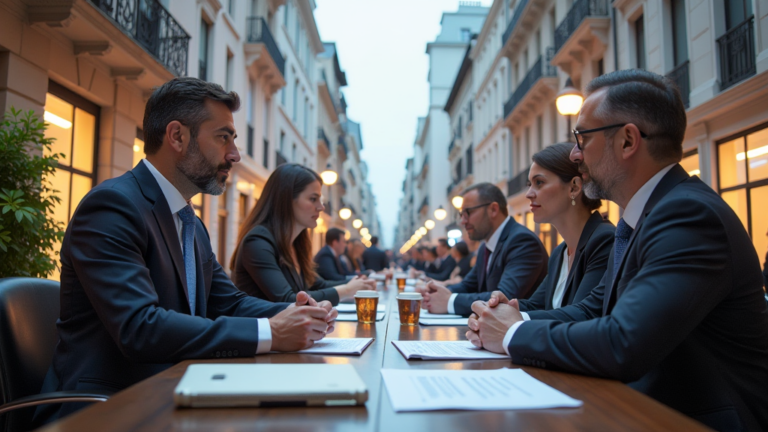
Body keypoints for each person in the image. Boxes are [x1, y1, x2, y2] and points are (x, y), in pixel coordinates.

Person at [467, 69, 768, 431]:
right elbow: (593, 310)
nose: (576, 155)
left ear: (627, 141)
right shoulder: (645, 218)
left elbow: (624, 341)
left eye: (582, 138)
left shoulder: (687, 215)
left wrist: (513, 334)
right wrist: (509, 321)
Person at [35, 78, 339, 424]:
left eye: (234, 140)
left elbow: (227, 301)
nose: (235, 155)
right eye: (223, 137)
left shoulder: (190, 222)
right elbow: (140, 327)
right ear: (177, 136)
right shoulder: (112, 207)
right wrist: (271, 332)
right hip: (106, 407)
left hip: (175, 391)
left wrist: (299, 310)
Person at [231, 164, 373, 305]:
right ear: (286, 199)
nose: (321, 207)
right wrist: (346, 290)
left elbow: (318, 285)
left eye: (321, 200)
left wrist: (359, 282)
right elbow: (288, 300)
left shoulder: (295, 243)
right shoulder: (257, 242)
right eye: (313, 199)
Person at [421, 182, 548, 316]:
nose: (463, 221)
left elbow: (503, 297)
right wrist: (435, 292)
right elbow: (467, 286)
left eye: (468, 213)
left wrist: (449, 301)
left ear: (493, 209)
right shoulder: (485, 246)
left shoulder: (522, 241)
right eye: (461, 214)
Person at [517, 143, 615, 311]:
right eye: (529, 185)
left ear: (574, 187)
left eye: (539, 182)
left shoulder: (604, 240)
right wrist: (502, 306)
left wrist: (513, 317)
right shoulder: (559, 253)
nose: (529, 194)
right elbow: (535, 306)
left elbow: (581, 314)